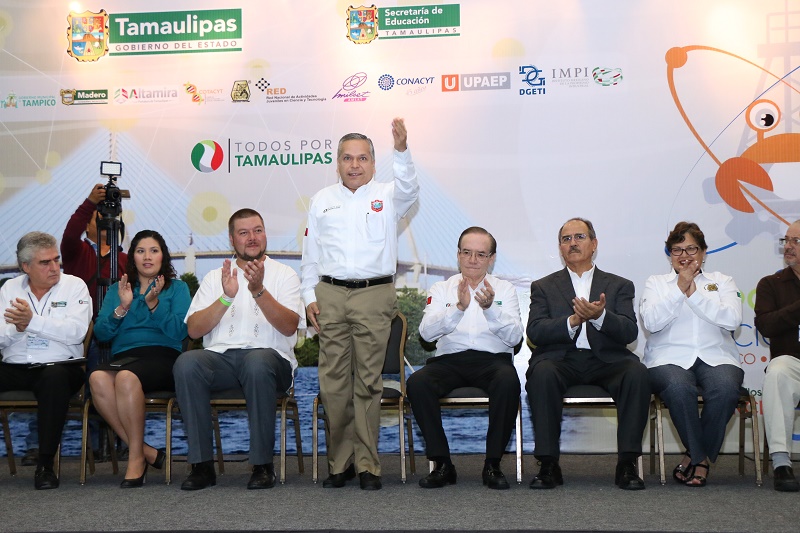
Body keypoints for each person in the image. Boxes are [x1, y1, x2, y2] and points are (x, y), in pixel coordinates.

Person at [301, 118, 419, 490]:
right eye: (348, 158)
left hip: (374, 293)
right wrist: (308, 297)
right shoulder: (321, 200)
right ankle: (340, 463)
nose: (355, 165)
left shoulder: (389, 195)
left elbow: (411, 188)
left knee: (368, 382)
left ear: (372, 162)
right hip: (330, 295)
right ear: (337, 163)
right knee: (333, 384)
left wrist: (401, 150)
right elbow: (310, 256)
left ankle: (368, 465)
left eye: (363, 158)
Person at [174, 208, 304, 490]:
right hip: (221, 362)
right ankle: (202, 466)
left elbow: (289, 326)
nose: (252, 238)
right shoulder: (213, 278)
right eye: (244, 233)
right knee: (187, 363)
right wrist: (226, 296)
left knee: (256, 362)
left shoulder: (285, 275)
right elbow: (194, 330)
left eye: (258, 230)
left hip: (272, 362)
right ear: (232, 240)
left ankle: (261, 465)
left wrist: (259, 290)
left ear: (265, 234)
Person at [525, 217, 650, 490]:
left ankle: (627, 464)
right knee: (542, 373)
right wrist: (572, 321)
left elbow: (629, 332)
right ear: (560, 248)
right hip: (560, 359)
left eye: (579, 237)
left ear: (594, 244)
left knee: (637, 373)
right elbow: (534, 332)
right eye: (566, 239)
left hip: (607, 360)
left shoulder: (619, 285)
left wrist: (600, 316)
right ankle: (548, 465)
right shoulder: (543, 286)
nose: (572, 243)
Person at [407, 227, 522, 490]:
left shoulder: (504, 290)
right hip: (450, 361)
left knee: (508, 381)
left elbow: (515, 339)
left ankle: (492, 464)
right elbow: (426, 333)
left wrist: (491, 309)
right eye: (467, 253)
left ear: (491, 258)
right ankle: (443, 464)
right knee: (418, 383)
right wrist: (458, 308)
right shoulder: (441, 288)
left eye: (480, 254)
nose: (473, 259)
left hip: (493, 361)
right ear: (458, 255)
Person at [639, 221, 743, 487]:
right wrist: (678, 288)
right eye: (677, 250)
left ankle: (693, 456)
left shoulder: (723, 282)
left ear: (704, 252)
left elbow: (732, 320)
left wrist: (694, 293)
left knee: (726, 388)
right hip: (667, 359)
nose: (684, 256)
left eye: (691, 249)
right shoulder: (657, 284)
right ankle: (701, 460)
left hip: (717, 356)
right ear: (669, 254)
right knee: (678, 387)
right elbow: (651, 323)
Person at [89, 230, 191, 488]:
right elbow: (101, 333)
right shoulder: (118, 289)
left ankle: (136, 458)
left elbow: (181, 332)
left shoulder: (177, 289)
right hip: (125, 357)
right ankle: (146, 450)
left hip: (164, 357)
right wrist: (122, 308)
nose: (147, 257)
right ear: (132, 257)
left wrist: (154, 305)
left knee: (125, 378)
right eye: (140, 251)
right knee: (98, 378)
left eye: (154, 251)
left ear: (163, 256)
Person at [0, 232, 91, 489]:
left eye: (56, 259)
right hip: (16, 366)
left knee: (54, 378)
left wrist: (32, 322)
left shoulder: (75, 286)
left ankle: (45, 465)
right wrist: (16, 330)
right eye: (45, 262)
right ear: (25, 267)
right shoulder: (9, 289)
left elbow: (76, 332)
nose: (54, 268)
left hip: (61, 366)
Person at [754, 219, 800, 492]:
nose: (789, 247)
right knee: (778, 370)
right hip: (793, 361)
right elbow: (767, 326)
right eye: (786, 240)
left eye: (796, 241)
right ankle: (781, 462)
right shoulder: (771, 284)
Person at [62, 183, 129, 317]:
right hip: (79, 323)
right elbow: (70, 234)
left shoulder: (124, 259)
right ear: (86, 227)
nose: (106, 221)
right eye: (100, 218)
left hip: (115, 323)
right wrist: (90, 202)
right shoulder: (77, 252)